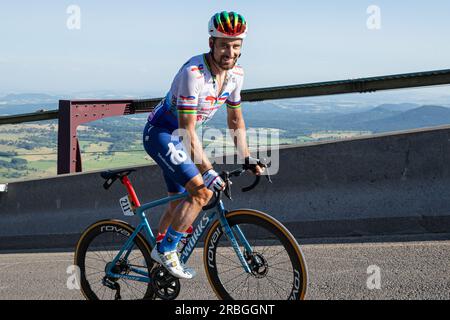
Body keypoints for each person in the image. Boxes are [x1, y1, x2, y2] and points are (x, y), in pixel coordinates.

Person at [143, 11, 264, 279]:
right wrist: (208, 171)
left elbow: (235, 119)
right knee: (201, 192)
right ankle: (168, 250)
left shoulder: (236, 75)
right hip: (163, 134)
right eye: (223, 45)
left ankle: (156, 253)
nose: (229, 52)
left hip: (181, 137)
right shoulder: (193, 73)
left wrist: (246, 157)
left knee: (178, 204)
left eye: (235, 46)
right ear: (212, 43)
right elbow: (185, 129)